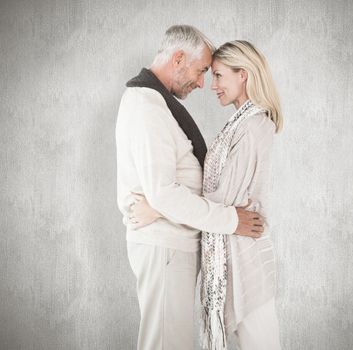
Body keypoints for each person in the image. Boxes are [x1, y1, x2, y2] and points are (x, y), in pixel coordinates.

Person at [115, 26, 264, 350]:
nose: (201, 83)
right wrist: (231, 220)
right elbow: (164, 192)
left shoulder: (155, 102)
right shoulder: (147, 106)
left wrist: (158, 204)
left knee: (173, 341)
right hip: (165, 245)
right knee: (166, 343)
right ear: (178, 58)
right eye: (200, 72)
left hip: (171, 241)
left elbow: (164, 193)